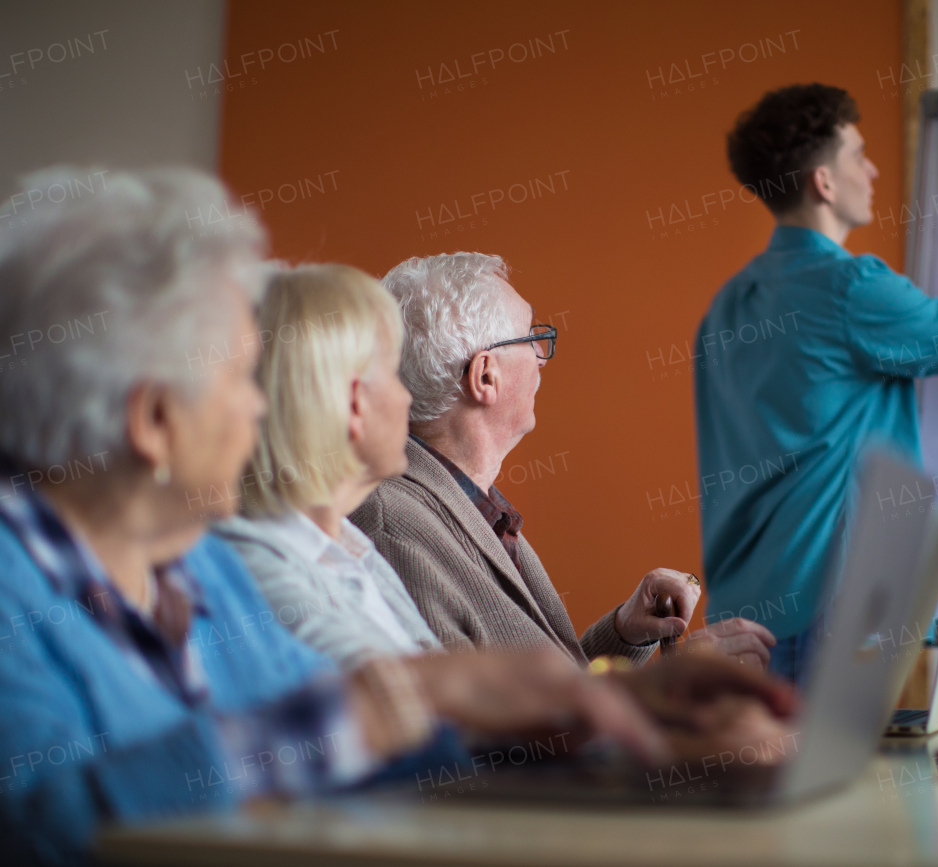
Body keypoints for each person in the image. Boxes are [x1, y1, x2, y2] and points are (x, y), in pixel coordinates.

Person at [0, 168, 791, 864]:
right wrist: (408, 697)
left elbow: (386, 765)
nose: (261, 404)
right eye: (243, 374)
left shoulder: (192, 566)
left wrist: (630, 721)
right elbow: (46, 825)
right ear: (154, 420)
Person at [695, 83, 938, 683]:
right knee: (843, 779)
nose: (872, 169)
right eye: (858, 153)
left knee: (771, 779)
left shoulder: (724, 308)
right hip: (828, 616)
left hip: (739, 629)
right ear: (823, 181)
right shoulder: (850, 288)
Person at [352, 253, 776, 668]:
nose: (541, 357)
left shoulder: (471, 504)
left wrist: (623, 633)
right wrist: (676, 686)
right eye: (530, 337)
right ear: (485, 376)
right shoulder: (392, 530)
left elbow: (543, 697)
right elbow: (485, 734)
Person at [215, 263, 442, 670]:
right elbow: (393, 696)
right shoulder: (248, 564)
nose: (407, 398)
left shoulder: (348, 544)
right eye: (394, 373)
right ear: (355, 403)